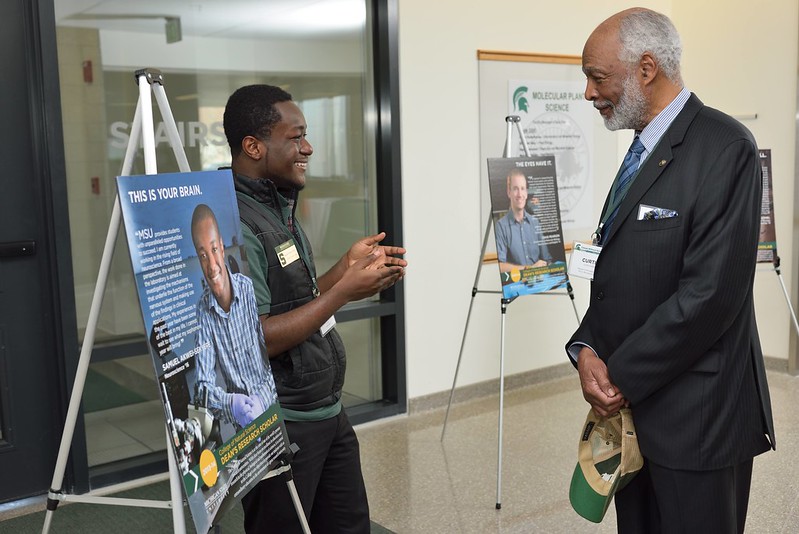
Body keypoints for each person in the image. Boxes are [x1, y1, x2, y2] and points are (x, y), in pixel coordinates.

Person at [566, 8, 775, 533]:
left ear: (646, 69)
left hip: (697, 419)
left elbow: (709, 296)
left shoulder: (725, 148)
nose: (589, 93)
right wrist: (587, 347)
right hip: (632, 417)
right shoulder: (640, 148)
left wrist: (620, 374)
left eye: (597, 76)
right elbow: (618, 266)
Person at [223, 84, 407, 533]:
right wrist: (342, 292)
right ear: (254, 145)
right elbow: (256, 338)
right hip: (281, 422)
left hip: (325, 408)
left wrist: (344, 273)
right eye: (296, 136)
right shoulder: (235, 223)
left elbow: (296, 301)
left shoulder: (277, 207)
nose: (308, 147)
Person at [191, 203, 277, 432]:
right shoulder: (203, 311)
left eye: (214, 250)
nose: (211, 266)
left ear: (222, 246)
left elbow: (278, 356)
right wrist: (233, 404)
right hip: (243, 430)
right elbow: (202, 387)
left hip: (278, 417)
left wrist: (261, 400)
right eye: (202, 255)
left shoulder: (250, 291)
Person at [495, 168, 552, 272]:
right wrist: (528, 269)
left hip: (539, 283)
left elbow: (547, 259)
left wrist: (546, 266)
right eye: (515, 189)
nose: (519, 194)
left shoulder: (535, 222)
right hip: (517, 284)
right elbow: (500, 266)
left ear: (526, 192)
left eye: (522, 188)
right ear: (509, 192)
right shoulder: (501, 226)